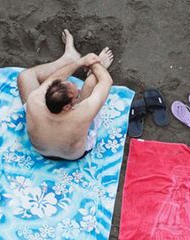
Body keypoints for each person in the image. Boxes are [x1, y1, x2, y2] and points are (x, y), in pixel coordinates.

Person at [18, 31, 116, 162]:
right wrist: (95, 64)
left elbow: (54, 78)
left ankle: (70, 58)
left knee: (25, 76)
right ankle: (94, 66)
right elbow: (107, 81)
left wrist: (79, 62)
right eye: (76, 96)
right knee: (91, 82)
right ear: (68, 106)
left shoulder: (34, 100)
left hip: (42, 149)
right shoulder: (83, 113)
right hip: (74, 155)